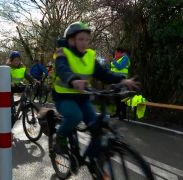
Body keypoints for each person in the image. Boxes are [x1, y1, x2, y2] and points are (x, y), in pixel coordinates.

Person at [52, 22, 138, 159]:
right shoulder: (62, 52)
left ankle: (94, 163)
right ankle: (60, 137)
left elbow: (103, 73)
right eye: (81, 39)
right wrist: (73, 80)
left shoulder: (89, 56)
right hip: (64, 98)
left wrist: (122, 80)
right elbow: (63, 69)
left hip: (83, 98)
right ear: (71, 40)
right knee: (75, 116)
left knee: (98, 129)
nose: (84, 42)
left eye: (87, 39)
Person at [7, 51, 38, 129]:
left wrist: (34, 81)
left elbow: (27, 76)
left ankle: (22, 103)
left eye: (18, 60)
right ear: (11, 61)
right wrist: (10, 82)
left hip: (17, 86)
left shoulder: (22, 68)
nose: (17, 62)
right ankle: (10, 119)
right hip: (9, 88)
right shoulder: (8, 68)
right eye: (15, 60)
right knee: (10, 108)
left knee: (27, 88)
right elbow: (6, 78)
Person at [110, 48, 131, 119]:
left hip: (122, 80)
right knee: (116, 97)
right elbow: (112, 68)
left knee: (122, 97)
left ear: (121, 53)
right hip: (115, 80)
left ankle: (123, 114)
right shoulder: (117, 58)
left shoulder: (125, 58)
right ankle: (117, 113)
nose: (115, 54)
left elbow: (119, 67)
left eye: (116, 53)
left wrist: (114, 60)